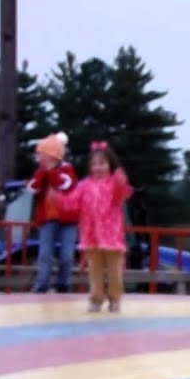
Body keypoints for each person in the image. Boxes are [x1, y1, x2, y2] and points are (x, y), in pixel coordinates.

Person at [52, 141, 133, 313]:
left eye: (102, 163)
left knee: (114, 273)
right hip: (91, 236)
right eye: (94, 164)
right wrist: (59, 199)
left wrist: (120, 182)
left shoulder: (113, 183)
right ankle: (96, 298)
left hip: (112, 236)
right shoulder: (84, 185)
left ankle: (115, 298)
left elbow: (122, 194)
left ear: (110, 164)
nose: (98, 167)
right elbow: (72, 203)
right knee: (94, 272)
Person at [25, 131, 80, 293]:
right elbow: (32, 189)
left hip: (68, 219)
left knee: (67, 255)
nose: (40, 158)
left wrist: (52, 171)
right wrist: (43, 172)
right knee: (45, 254)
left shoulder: (68, 170)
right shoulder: (40, 172)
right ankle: (42, 284)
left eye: (43, 155)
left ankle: (63, 283)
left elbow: (65, 185)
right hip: (47, 219)